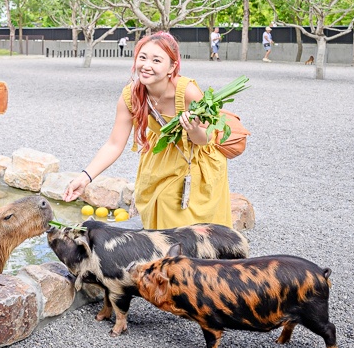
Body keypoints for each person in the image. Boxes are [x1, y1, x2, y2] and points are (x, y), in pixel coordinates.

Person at [62, 32, 247, 229]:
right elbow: (114, 144)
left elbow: (206, 138)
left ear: (172, 67)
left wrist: (192, 130)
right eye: (142, 57)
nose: (146, 65)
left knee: (192, 232)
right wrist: (84, 177)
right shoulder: (131, 96)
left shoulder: (187, 92)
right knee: (157, 226)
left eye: (156, 60)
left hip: (195, 163)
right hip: (159, 160)